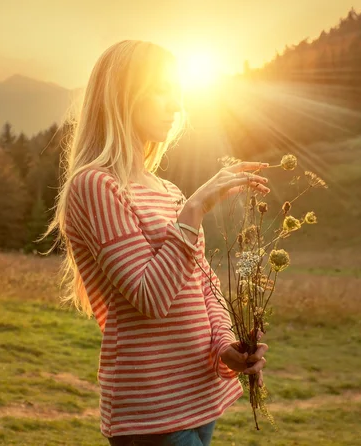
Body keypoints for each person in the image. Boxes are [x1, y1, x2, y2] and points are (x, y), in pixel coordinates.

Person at [44, 40, 270, 445]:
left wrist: (224, 347)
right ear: (123, 96)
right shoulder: (96, 186)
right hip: (151, 411)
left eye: (178, 93)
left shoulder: (168, 190)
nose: (176, 106)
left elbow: (204, 286)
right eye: (162, 90)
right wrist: (196, 207)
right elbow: (150, 296)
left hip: (199, 396)